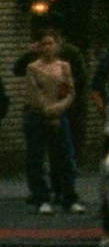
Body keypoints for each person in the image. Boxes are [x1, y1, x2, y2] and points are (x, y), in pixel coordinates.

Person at [18, 32, 80, 214]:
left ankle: (69, 197)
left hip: (60, 114)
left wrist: (58, 110)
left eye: (50, 44)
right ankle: (41, 198)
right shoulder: (33, 67)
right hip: (37, 114)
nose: (47, 48)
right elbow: (34, 93)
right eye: (44, 44)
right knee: (36, 157)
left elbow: (70, 91)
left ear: (57, 45)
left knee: (65, 156)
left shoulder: (64, 66)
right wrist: (47, 110)